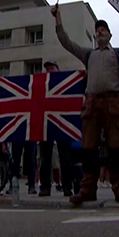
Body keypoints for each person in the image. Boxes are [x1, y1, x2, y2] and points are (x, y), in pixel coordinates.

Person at [52, 5, 119, 206]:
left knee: (116, 147)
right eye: (97, 29)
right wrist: (58, 19)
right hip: (91, 103)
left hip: (113, 102)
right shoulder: (88, 54)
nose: (100, 31)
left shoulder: (118, 53)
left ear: (109, 34)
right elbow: (66, 42)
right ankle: (87, 189)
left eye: (103, 29)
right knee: (89, 147)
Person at [37, 60, 75, 197]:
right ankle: (45, 187)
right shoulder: (41, 85)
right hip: (46, 124)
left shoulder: (65, 84)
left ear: (58, 70)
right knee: (45, 158)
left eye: (51, 68)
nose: (49, 71)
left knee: (65, 157)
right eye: (47, 69)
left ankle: (67, 187)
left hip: (62, 123)